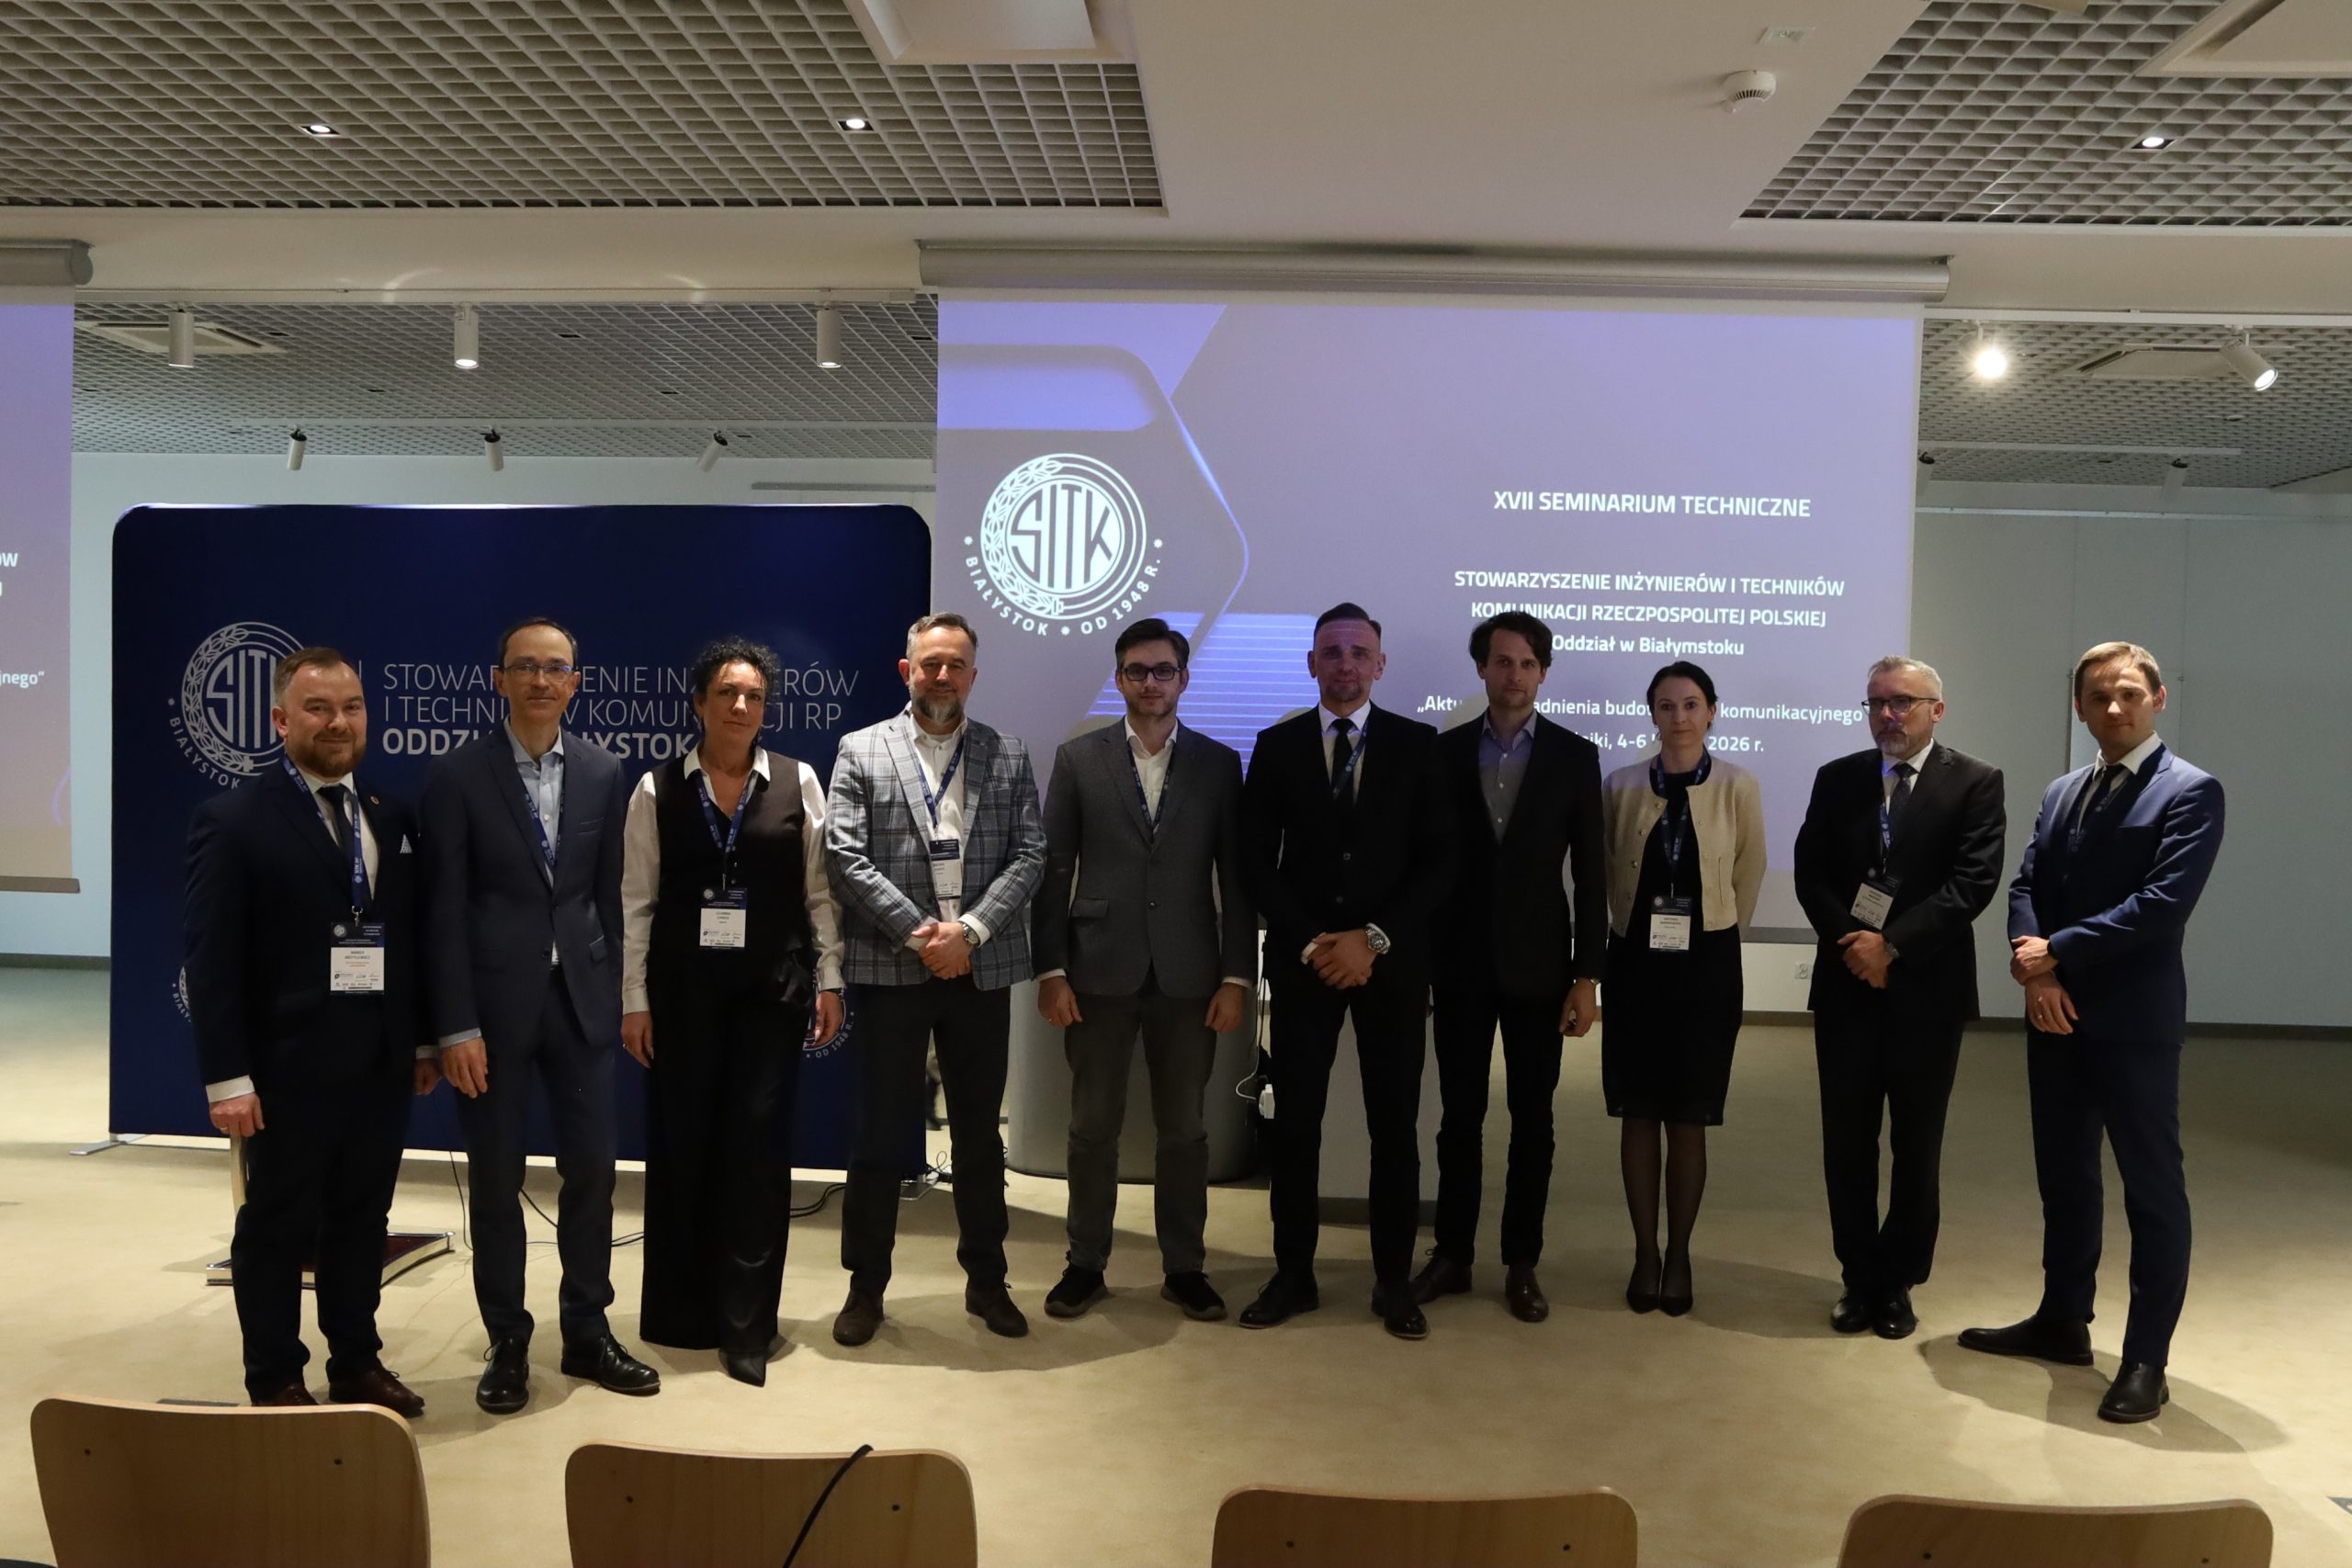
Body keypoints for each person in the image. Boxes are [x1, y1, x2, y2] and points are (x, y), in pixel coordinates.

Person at [1961, 641, 2225, 1424]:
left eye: (2129, 693)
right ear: (2078, 708)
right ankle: (2062, 1319)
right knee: (2065, 1176)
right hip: (2055, 1014)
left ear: (2158, 699)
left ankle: (2147, 1358)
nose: (2115, 707)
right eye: (2099, 696)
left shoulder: (2190, 791)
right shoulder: (2064, 789)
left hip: (2134, 1022)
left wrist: (2059, 951)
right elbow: (2027, 884)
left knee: (2152, 1188)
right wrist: (2037, 972)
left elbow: (2163, 904)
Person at [183, 648, 434, 1415]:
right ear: (280, 719)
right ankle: (275, 1377)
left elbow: (410, 939)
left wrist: (422, 1040)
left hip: (379, 1063)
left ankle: (355, 1362)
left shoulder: (390, 813)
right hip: (285, 1068)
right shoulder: (234, 820)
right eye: (319, 708)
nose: (338, 722)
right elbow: (212, 958)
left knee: (361, 1219)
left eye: (352, 707)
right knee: (276, 1226)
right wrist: (228, 1078)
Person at [421, 617, 659, 1414]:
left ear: (575, 683)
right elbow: (442, 911)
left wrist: (620, 990)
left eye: (555, 668)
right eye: (525, 666)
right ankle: (508, 1339)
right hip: (490, 1017)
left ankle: (587, 1329)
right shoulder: (457, 775)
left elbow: (608, 895)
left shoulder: (602, 769)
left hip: (581, 1007)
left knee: (592, 1173)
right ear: (499, 679)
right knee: (496, 1182)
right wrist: (455, 1026)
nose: (540, 680)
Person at [619, 637, 846, 1385]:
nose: (741, 706)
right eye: (726, 693)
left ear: (765, 707)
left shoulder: (798, 781)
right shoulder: (656, 789)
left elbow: (819, 892)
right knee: (683, 1148)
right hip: (681, 997)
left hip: (768, 996)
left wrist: (831, 978)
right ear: (699, 704)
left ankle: (747, 1325)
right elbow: (637, 904)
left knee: (756, 1157)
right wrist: (633, 999)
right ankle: (681, 1316)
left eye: (753, 695)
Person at [825, 612, 1046, 1346]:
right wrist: (924, 935)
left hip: (979, 968)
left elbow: (1030, 854)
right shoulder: (860, 749)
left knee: (980, 1135)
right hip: (895, 965)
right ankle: (865, 1287)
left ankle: (987, 1281)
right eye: (930, 664)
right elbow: (845, 856)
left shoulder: (1008, 754)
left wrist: (970, 932)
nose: (942, 675)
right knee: (879, 1134)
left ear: (973, 675)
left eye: (955, 664)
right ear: (907, 670)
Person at [1238, 603, 1455, 1340]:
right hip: (1305, 966)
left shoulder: (1419, 746)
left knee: (1394, 1125)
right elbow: (1254, 862)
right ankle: (1292, 1274)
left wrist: (1372, 939)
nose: (1345, 663)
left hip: (1391, 966)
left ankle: (1393, 1280)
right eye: (1332, 651)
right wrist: (1313, 942)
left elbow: (1440, 862)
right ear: (1311, 663)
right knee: (1296, 1125)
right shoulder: (1276, 746)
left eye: (1359, 652)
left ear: (1380, 665)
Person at [1034, 617, 1256, 1324]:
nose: (1150, 682)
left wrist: (1237, 977)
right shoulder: (1079, 758)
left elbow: (1237, 878)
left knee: (1185, 1129)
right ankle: (1085, 1262)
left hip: (1191, 975)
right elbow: (1053, 871)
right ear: (1120, 678)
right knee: (1091, 1125)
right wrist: (1050, 969)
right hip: (1096, 971)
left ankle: (1184, 1267)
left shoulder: (1219, 764)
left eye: (1163, 670)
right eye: (1137, 670)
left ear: (1184, 679)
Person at [1794, 656, 2004, 1341]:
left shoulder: (1975, 781)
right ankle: (1858, 1277)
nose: (1888, 714)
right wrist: (1855, 946)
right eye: (1877, 702)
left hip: (1927, 990)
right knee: (1847, 1142)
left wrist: (1892, 946)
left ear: (1936, 710)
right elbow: (1810, 873)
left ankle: (1899, 1281)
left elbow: (1973, 883)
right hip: (1848, 985)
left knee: (1917, 1143)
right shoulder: (1838, 778)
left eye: (1903, 702)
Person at [1414, 612, 1605, 1325]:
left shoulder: (1574, 755)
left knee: (1534, 1121)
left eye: (1526, 663)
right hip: (1459, 965)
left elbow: (1591, 875)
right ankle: (1453, 1254)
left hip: (1541, 969)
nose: (1514, 674)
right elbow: (1428, 862)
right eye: (1502, 661)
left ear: (1543, 672)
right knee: (1458, 1118)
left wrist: (1587, 975)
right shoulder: (1444, 752)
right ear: (1482, 668)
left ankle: (1522, 1260)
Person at [1600, 661, 1763, 1317]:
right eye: (1666, 706)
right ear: (1652, 714)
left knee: (1689, 1114)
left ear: (1712, 711)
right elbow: (1607, 866)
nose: (1680, 717)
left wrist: (1720, 934)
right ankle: (1645, 1251)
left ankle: (1681, 1253)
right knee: (1639, 1110)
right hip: (1635, 963)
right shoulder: (1620, 784)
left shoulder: (1737, 785)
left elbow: (1750, 869)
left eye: (1692, 704)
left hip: (1707, 966)